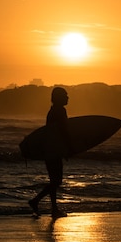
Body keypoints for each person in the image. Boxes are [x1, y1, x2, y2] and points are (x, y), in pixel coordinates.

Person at [29, 87, 71, 219]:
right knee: (56, 181)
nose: (68, 97)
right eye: (65, 95)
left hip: (49, 149)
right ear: (59, 97)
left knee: (54, 180)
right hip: (54, 150)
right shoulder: (60, 111)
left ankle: (54, 209)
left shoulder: (52, 111)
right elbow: (63, 132)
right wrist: (68, 148)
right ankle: (36, 201)